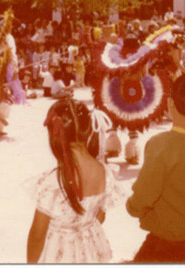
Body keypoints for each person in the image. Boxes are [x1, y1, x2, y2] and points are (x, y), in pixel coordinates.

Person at [126, 73, 185, 263]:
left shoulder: (159, 144)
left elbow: (145, 193)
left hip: (166, 240)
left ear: (170, 103)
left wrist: (132, 207)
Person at [27, 99, 121, 263]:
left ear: (55, 136)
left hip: (59, 255)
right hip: (90, 251)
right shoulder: (106, 172)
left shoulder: (53, 182)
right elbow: (100, 216)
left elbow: (38, 233)